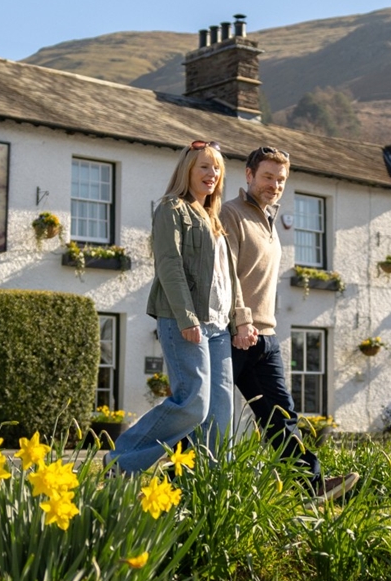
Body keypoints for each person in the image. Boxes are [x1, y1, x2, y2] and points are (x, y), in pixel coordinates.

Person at [108, 140, 255, 474]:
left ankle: (209, 484)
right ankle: (120, 462)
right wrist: (187, 317)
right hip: (184, 321)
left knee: (220, 413)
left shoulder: (215, 220)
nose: (212, 174)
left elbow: (229, 277)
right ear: (187, 169)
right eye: (204, 166)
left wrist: (241, 320)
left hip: (218, 326)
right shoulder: (171, 209)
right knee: (193, 404)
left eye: (217, 168)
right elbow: (169, 265)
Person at [221, 146, 359, 502]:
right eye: (268, 176)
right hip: (233, 334)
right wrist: (241, 320)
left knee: (281, 416)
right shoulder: (230, 213)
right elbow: (228, 274)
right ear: (249, 175)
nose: (275, 184)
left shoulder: (269, 219)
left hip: (264, 336)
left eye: (281, 179)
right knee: (201, 412)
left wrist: (257, 325)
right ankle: (134, 468)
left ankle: (311, 486)